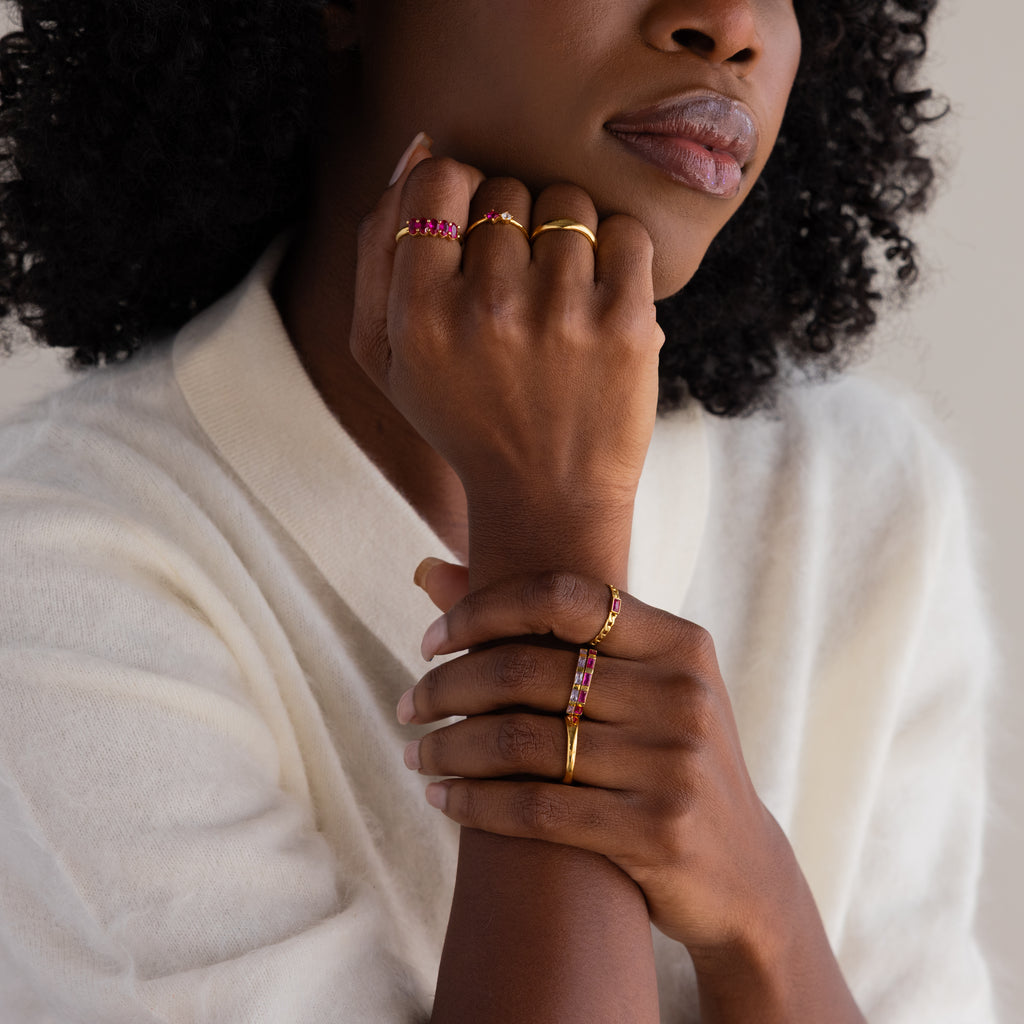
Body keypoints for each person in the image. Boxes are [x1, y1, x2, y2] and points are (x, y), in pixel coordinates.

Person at [0, 1, 993, 1021]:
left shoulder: (855, 496)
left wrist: (763, 911)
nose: (733, 24)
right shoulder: (61, 572)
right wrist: (554, 524)